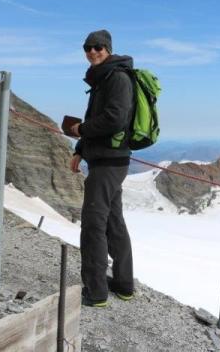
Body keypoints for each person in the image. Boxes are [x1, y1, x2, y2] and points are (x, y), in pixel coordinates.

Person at [69, 29, 136, 307]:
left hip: (109, 162)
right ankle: (123, 284)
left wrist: (80, 129)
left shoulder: (117, 77)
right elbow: (100, 119)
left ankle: (95, 292)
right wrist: (80, 149)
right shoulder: (103, 78)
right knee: (113, 222)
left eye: (98, 47)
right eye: (88, 47)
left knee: (93, 225)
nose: (92, 51)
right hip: (106, 159)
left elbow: (114, 119)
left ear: (108, 49)